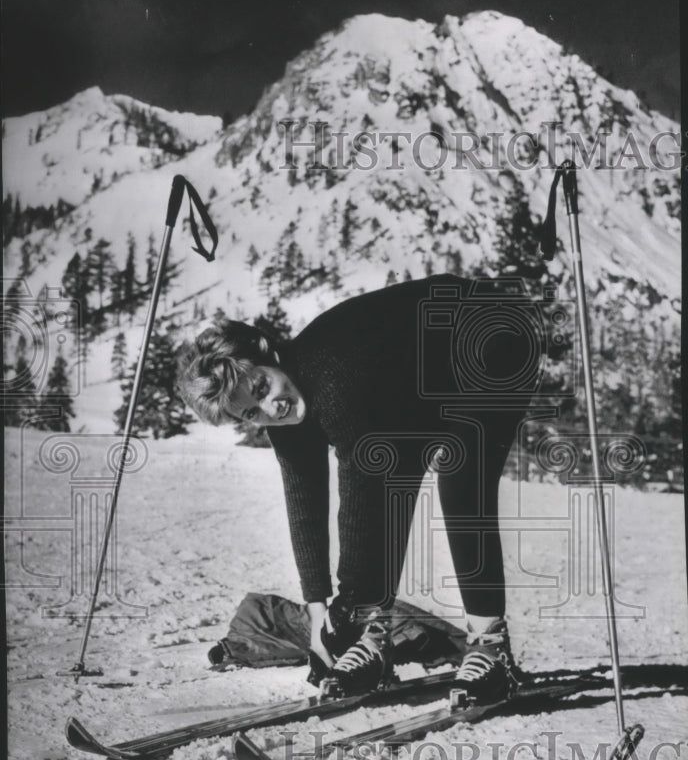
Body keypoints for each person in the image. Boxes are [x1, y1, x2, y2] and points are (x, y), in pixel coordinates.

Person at [176, 273, 543, 698]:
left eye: (261, 386)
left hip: (490, 333)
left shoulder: (331, 379)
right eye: (250, 414)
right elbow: (305, 503)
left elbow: (361, 502)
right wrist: (318, 613)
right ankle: (375, 639)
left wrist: (349, 606)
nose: (269, 408)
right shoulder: (287, 406)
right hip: (416, 373)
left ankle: (490, 647)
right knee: (399, 473)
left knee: (461, 482)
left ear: (267, 353)